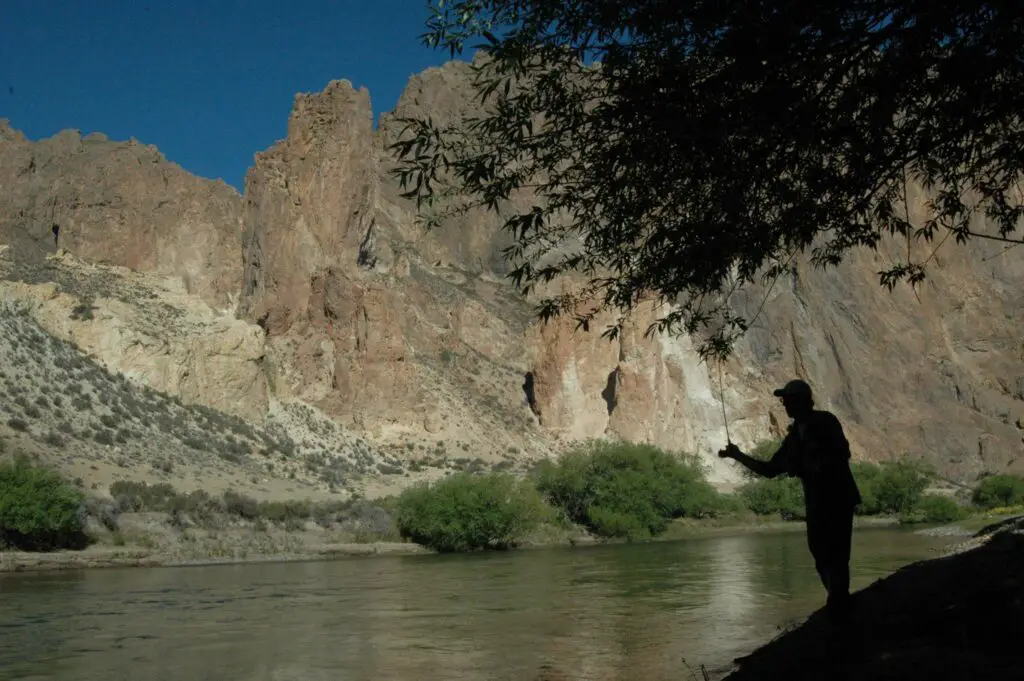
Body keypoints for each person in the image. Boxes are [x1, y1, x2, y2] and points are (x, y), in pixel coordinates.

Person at [719, 379, 862, 625]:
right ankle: (837, 600)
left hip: (837, 498)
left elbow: (842, 451)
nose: (785, 404)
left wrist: (809, 462)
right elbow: (770, 470)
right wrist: (737, 455)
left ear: (804, 401)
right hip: (817, 503)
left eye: (789, 400)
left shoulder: (825, 421)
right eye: (784, 400)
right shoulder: (794, 437)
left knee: (837, 554)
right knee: (819, 553)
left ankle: (839, 605)